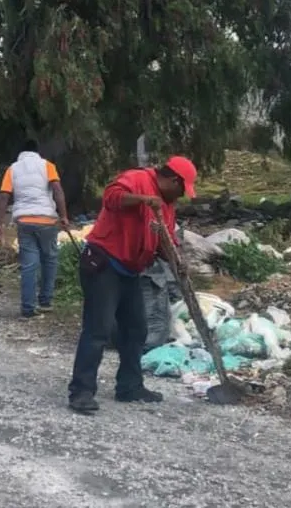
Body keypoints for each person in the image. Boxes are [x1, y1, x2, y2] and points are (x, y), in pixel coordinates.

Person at [67, 156, 197, 413]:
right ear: (173, 180)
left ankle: (129, 386)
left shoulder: (166, 207)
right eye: (182, 190)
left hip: (129, 270)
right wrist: (142, 200)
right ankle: (81, 392)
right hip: (104, 264)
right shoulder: (138, 179)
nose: (181, 196)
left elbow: (165, 240)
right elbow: (111, 197)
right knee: (98, 330)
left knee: (136, 329)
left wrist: (177, 260)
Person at [0, 139, 70, 318]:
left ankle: (28, 309)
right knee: (50, 259)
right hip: (46, 221)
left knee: (29, 264)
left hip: (25, 221)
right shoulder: (47, 166)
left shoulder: (12, 169)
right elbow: (57, 190)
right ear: (37, 151)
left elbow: (4, 197)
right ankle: (45, 301)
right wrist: (64, 216)